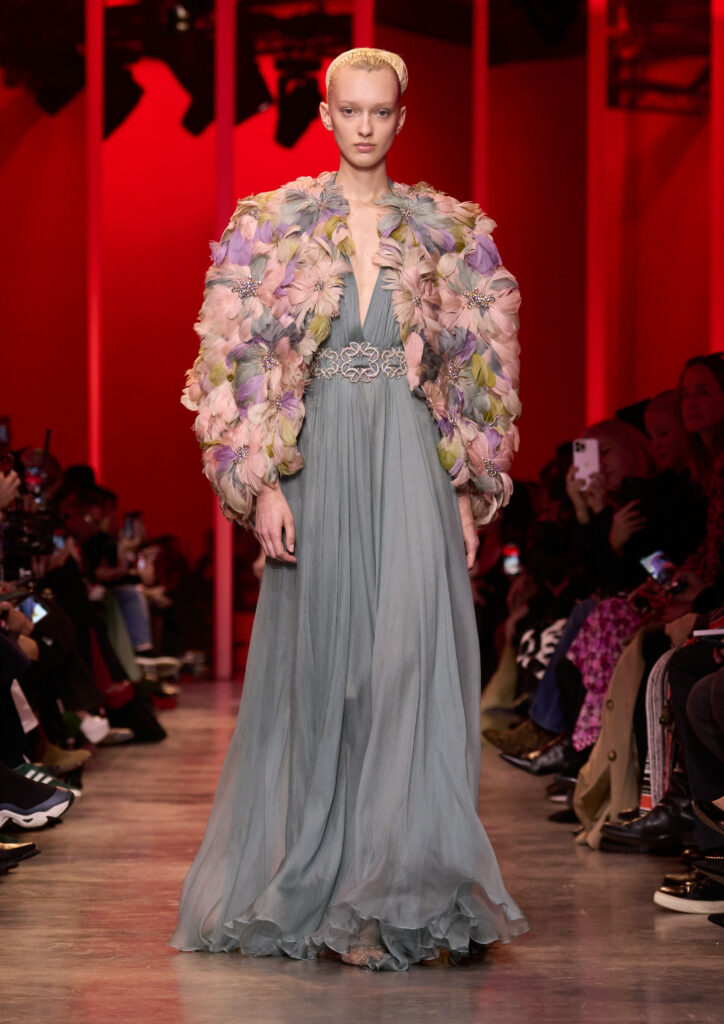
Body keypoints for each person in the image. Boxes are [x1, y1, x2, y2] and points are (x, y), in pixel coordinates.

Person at [170, 47, 528, 970]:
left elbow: (481, 367)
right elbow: (231, 361)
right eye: (350, 110)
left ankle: (393, 894)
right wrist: (261, 484)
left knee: (406, 669)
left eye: (381, 111)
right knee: (330, 677)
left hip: (409, 459)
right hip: (319, 459)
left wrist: (466, 490)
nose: (366, 126)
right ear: (326, 115)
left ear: (401, 118)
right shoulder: (269, 225)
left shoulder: (449, 232)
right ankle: (327, 889)